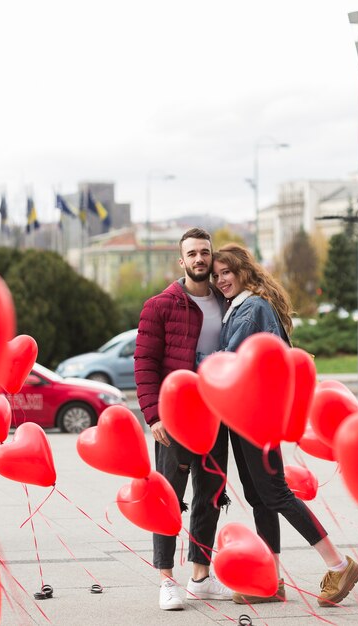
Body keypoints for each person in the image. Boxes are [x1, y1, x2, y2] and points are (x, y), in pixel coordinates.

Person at [211, 243, 358, 608]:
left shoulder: (251, 309)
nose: (220, 280)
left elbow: (232, 362)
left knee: (276, 493)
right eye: (216, 276)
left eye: (226, 273)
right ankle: (270, 581)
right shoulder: (242, 307)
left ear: (243, 271)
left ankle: (338, 564)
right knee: (259, 498)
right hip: (244, 417)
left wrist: (197, 362)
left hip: (257, 417)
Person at [134, 228, 232, 611]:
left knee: (209, 496)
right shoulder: (161, 305)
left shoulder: (226, 303)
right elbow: (144, 364)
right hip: (173, 419)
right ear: (182, 261)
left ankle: (200, 578)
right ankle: (166, 580)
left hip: (214, 416)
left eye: (204, 252)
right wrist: (153, 415)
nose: (199, 259)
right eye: (192, 253)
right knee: (167, 499)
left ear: (211, 256)